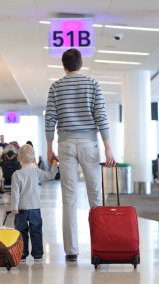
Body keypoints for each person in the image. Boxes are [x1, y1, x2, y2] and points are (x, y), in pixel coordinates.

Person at [45, 48, 116, 263]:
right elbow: (100, 115)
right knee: (95, 195)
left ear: (63, 65)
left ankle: (72, 251)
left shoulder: (56, 86)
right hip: (89, 144)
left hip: (65, 144)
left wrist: (49, 148)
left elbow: (50, 118)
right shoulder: (92, 84)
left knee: (69, 198)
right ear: (81, 63)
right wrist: (108, 147)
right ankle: (99, 246)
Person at [11, 144, 58, 262]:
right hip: (35, 208)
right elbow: (51, 175)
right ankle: (38, 255)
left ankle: (22, 254)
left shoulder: (16, 174)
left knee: (21, 233)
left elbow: (15, 193)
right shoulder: (37, 172)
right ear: (33, 159)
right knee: (36, 231)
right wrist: (55, 164)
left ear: (18, 158)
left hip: (21, 209)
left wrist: (14, 208)